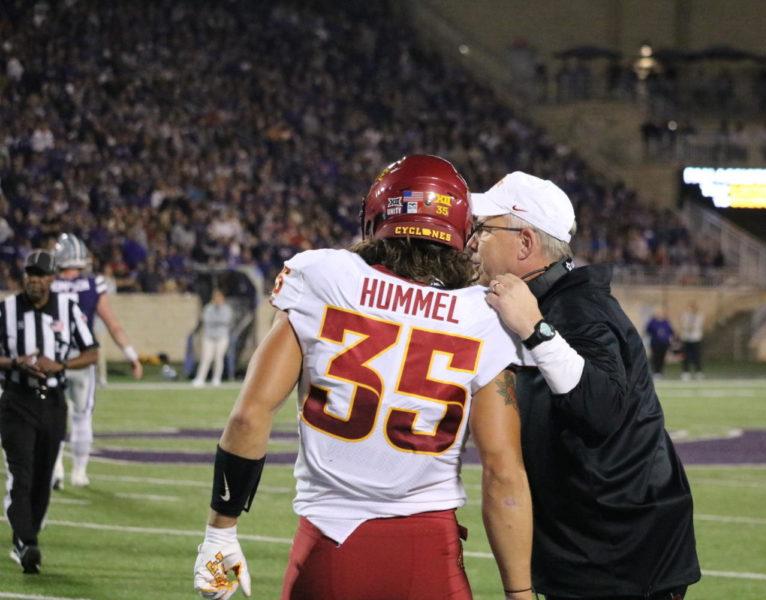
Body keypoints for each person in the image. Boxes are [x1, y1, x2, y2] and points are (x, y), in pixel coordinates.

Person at [193, 155, 533, 600]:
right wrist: (520, 593)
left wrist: (220, 534)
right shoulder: (482, 315)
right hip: (430, 555)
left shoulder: (323, 277)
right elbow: (503, 471)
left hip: (328, 548)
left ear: (376, 217)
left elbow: (249, 417)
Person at [469, 171, 700, 599]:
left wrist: (535, 329)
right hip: (592, 549)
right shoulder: (546, 303)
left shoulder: (578, 309)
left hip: (622, 558)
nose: (472, 240)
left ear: (525, 243)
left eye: (484, 229)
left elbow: (602, 408)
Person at [0, 250, 98, 574]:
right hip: (16, 400)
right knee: (22, 473)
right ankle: (25, 542)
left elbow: (92, 352)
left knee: (43, 478)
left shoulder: (68, 310)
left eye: (41, 274)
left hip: (53, 403)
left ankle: (28, 537)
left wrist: (61, 364)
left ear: (52, 279)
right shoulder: (7, 309)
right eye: (30, 273)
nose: (34, 279)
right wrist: (17, 362)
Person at [50, 233, 143, 488]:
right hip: (82, 359)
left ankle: (56, 468)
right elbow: (113, 325)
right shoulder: (93, 285)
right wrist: (132, 356)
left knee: (54, 415)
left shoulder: (48, 284)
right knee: (82, 415)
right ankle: (79, 472)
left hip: (54, 359)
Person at [192, 289, 234, 387]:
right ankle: (200, 379)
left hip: (222, 337)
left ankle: (216, 379)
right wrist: (218, 321)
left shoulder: (226, 309)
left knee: (218, 358)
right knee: (206, 358)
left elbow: (226, 320)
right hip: (209, 337)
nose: (217, 299)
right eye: (216, 297)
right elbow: (206, 320)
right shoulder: (208, 308)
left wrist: (216, 321)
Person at [645, 307, 675, 378]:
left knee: (662, 357)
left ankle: (660, 372)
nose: (659, 314)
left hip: (664, 343)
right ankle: (655, 371)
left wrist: (670, 339)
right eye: (658, 313)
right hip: (655, 343)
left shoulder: (666, 322)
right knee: (655, 357)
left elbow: (671, 331)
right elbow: (647, 330)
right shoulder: (652, 322)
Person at [679, 301, 704, 380]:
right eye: (689, 307)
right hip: (686, 338)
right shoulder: (685, 316)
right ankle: (685, 372)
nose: (690, 309)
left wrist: (692, 326)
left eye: (692, 308)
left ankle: (698, 372)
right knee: (685, 356)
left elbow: (699, 325)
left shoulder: (699, 316)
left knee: (697, 356)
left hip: (695, 338)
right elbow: (682, 324)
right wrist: (687, 326)